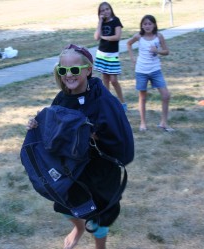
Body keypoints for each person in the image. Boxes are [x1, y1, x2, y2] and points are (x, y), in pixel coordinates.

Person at [26, 44, 133, 249]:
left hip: (98, 171)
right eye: (63, 70)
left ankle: (99, 246)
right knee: (67, 204)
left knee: (98, 214)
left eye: (74, 70)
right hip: (72, 168)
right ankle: (78, 227)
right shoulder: (62, 97)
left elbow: (119, 137)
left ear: (88, 70)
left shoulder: (104, 101)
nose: (69, 75)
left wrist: (95, 136)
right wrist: (36, 124)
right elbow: (53, 126)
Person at [126, 15, 174, 132]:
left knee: (166, 95)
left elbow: (166, 51)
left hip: (155, 70)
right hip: (141, 70)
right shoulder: (139, 36)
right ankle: (143, 123)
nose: (147, 26)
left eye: (150, 23)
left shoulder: (159, 36)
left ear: (154, 25)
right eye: (145, 24)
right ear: (142, 25)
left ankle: (164, 122)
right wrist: (132, 58)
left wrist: (157, 51)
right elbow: (128, 43)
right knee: (142, 97)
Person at [93, 2, 127, 112]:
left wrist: (105, 37)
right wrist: (100, 21)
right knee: (105, 80)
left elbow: (117, 37)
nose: (105, 12)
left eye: (107, 9)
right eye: (102, 10)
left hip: (112, 55)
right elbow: (96, 37)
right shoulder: (101, 23)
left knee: (113, 80)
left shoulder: (116, 20)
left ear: (111, 9)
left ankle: (122, 102)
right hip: (102, 54)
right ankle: (107, 103)